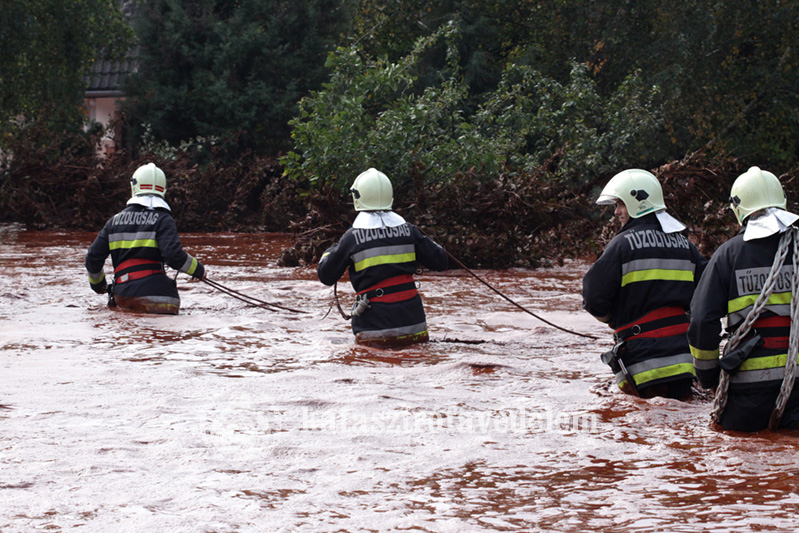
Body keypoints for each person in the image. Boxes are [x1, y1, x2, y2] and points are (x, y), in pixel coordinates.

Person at [688, 167, 799, 431]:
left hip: (747, 392)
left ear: (738, 209)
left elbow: (702, 321)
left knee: (739, 449)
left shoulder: (728, 255)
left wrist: (709, 378)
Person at [582, 169, 707, 399]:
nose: (617, 212)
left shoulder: (621, 245)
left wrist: (614, 320)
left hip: (642, 364)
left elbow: (593, 297)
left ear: (636, 202)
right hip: (684, 362)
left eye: (621, 204)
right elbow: (707, 294)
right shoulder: (686, 245)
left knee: (642, 418)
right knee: (680, 413)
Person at [317, 168, 448, 347]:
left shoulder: (351, 237)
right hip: (414, 326)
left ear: (358, 196)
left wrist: (331, 250)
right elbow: (441, 261)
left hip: (374, 330)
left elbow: (325, 275)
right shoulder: (409, 230)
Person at [85, 162, 206, 314]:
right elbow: (174, 256)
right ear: (163, 189)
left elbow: (93, 257)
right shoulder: (164, 219)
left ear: (134, 186)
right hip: (162, 297)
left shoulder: (114, 222)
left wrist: (99, 286)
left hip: (124, 295)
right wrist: (199, 270)